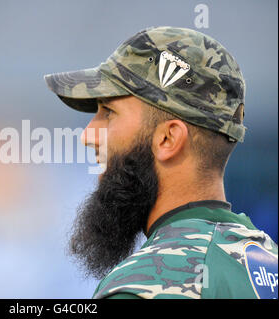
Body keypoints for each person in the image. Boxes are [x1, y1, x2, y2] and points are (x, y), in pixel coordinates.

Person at [44, 26, 278, 299]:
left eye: (108, 112)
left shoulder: (143, 288)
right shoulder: (268, 266)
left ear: (168, 139)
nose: (87, 136)